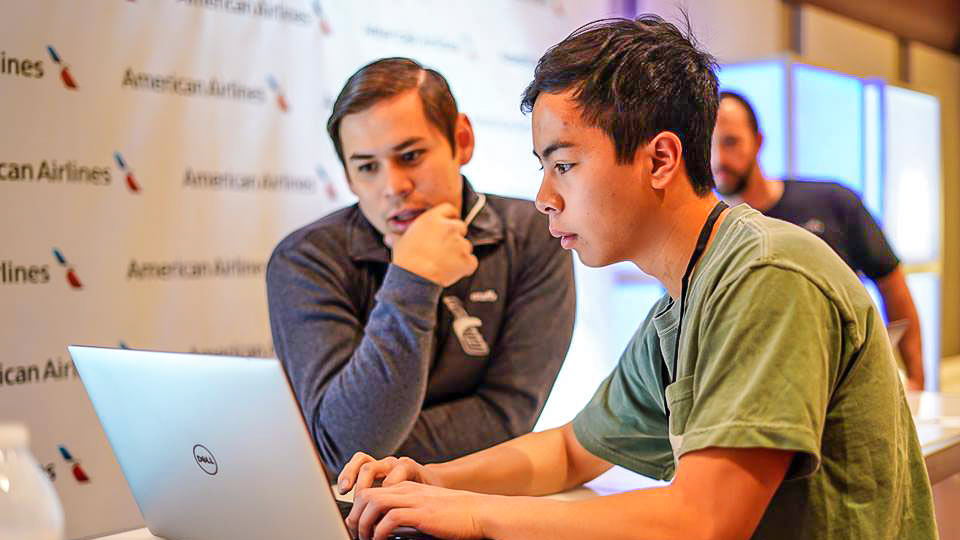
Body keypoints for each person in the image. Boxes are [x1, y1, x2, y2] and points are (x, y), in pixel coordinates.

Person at [334, 17, 937, 540]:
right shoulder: (684, 297)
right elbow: (574, 449)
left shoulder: (766, 273)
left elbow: (703, 521)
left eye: (564, 164)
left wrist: (471, 512)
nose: (544, 197)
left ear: (660, 159)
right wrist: (430, 478)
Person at [266, 58, 575, 475]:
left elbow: (508, 416)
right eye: (367, 167)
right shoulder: (306, 259)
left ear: (461, 140)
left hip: (475, 500)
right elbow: (345, 445)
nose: (393, 187)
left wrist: (372, 454)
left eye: (410, 156)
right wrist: (413, 279)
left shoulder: (534, 236)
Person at [712, 90, 926, 390]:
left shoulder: (833, 201)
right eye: (707, 145)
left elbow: (893, 285)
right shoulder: (709, 235)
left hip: (847, 385)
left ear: (758, 141)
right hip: (763, 396)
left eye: (730, 141)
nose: (718, 158)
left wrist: (916, 380)